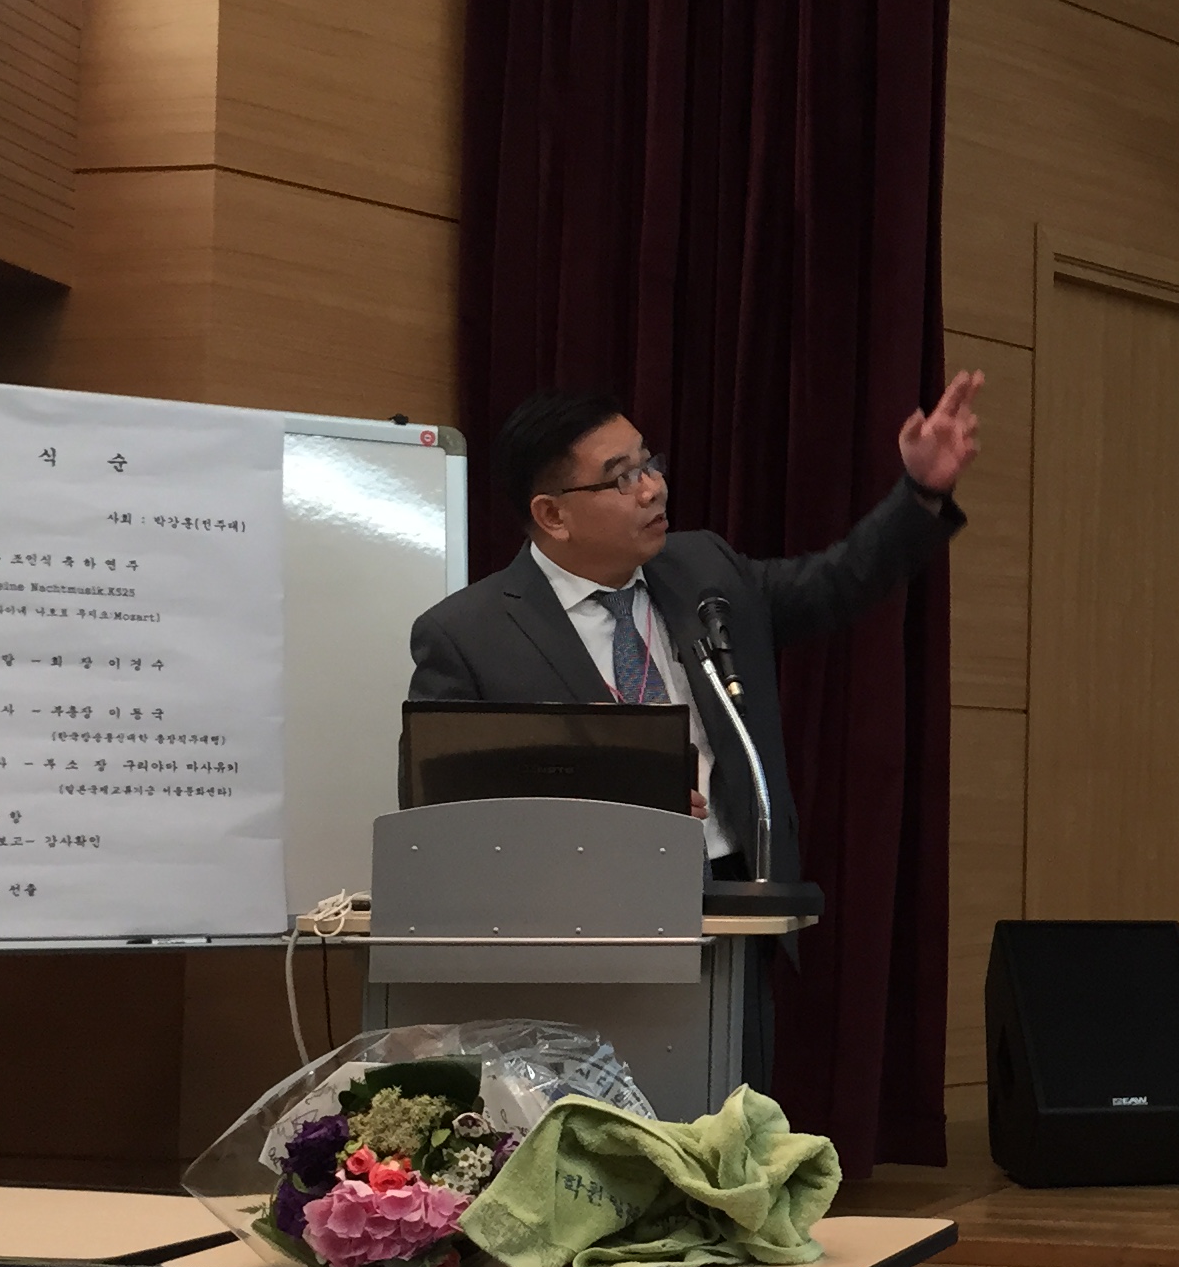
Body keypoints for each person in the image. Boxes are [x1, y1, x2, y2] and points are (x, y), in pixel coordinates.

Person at [407, 376, 980, 1093]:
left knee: (733, 1114)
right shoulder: (469, 635)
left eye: (649, 463)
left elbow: (836, 583)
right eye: (622, 477)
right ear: (552, 514)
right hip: (583, 929)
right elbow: (449, 815)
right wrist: (606, 812)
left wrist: (919, 491)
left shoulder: (703, 569)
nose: (653, 488)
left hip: (732, 904)